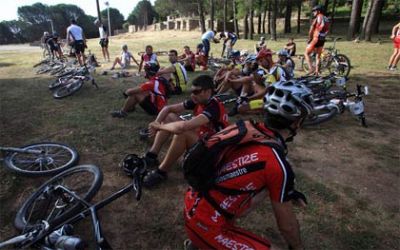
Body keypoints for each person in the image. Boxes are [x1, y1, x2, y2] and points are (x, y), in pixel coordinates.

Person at [183, 80, 312, 250]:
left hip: (191, 205)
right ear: (297, 123)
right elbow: (287, 227)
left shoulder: (244, 127)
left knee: (267, 184)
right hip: (208, 226)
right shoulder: (276, 163)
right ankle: (202, 243)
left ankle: (197, 243)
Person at [140, 75, 229, 187]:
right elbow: (167, 109)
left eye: (197, 91)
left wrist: (159, 127)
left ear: (208, 92)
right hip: (204, 139)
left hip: (214, 152)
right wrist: (156, 123)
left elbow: (183, 127)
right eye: (192, 91)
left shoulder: (213, 107)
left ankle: (161, 172)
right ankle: (152, 155)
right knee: (169, 117)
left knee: (182, 133)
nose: (192, 95)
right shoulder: (200, 100)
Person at [304, 5, 330, 75]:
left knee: (306, 53)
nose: (313, 13)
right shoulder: (326, 18)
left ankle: (311, 68)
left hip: (316, 38)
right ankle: (317, 71)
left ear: (318, 11)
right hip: (322, 39)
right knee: (318, 56)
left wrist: (309, 38)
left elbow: (311, 30)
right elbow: (327, 30)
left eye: (314, 11)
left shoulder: (317, 18)